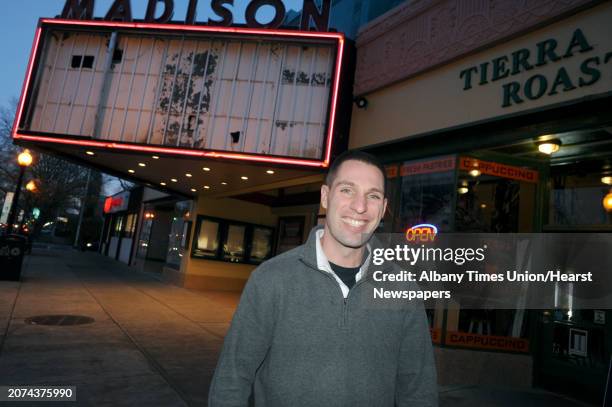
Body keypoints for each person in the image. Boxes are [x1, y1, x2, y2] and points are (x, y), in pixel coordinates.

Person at [208, 150, 438, 406]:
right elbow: (232, 378)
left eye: (372, 196)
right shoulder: (271, 279)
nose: (360, 207)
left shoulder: (403, 289)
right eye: (347, 190)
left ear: (383, 208)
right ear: (326, 197)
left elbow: (418, 391)